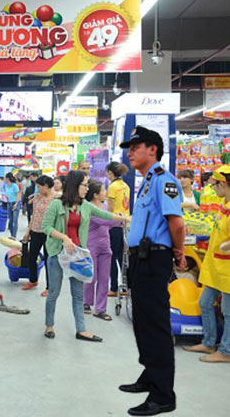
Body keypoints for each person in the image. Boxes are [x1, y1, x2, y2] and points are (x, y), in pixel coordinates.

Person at [118, 126, 185, 416]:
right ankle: (150, 375)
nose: (130, 153)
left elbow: (177, 224)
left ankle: (163, 395)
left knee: (155, 325)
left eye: (136, 147)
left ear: (153, 149)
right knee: (142, 322)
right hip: (140, 260)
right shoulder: (146, 181)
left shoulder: (163, 180)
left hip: (154, 258)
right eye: (129, 148)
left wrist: (178, 252)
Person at [41, 170, 130, 342]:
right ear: (75, 185)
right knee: (54, 292)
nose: (87, 188)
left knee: (78, 294)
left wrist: (125, 218)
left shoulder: (85, 206)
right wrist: (64, 237)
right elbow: (46, 227)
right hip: (58, 253)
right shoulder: (56, 205)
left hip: (77, 255)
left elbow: (105, 215)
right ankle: (49, 325)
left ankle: (81, 330)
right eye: (85, 185)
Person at [183, 165, 230, 363]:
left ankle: (226, 352)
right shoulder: (223, 205)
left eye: (214, 185)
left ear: (223, 184)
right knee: (205, 302)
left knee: (228, 310)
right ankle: (209, 342)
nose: (212, 189)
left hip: (227, 269)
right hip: (215, 266)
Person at [83, 180, 116, 321]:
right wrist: (123, 218)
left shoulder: (104, 206)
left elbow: (109, 224)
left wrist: (117, 218)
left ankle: (101, 309)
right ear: (96, 195)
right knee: (91, 276)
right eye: (103, 190)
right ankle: (86, 302)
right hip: (92, 245)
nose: (105, 193)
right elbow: (105, 221)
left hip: (105, 245)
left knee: (104, 278)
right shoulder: (89, 207)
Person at [22, 175, 54, 295]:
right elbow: (34, 215)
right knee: (32, 257)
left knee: (48, 260)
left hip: (49, 233)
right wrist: (28, 232)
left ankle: (50, 287)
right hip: (36, 231)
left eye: (39, 187)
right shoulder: (37, 197)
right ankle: (33, 280)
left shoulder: (57, 198)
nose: (38, 189)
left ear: (46, 186)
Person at [106, 161, 130, 297]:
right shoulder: (125, 186)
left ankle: (114, 288)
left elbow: (110, 209)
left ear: (110, 172)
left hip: (114, 225)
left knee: (111, 257)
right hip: (125, 225)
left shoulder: (112, 187)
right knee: (123, 258)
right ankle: (126, 287)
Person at [4, 172, 21, 239]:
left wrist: (16, 204)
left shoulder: (14, 186)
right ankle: (11, 234)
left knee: (15, 220)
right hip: (9, 203)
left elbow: (18, 194)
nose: (4, 179)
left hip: (15, 203)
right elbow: (7, 195)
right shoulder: (6, 186)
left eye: (5, 178)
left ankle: (14, 235)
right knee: (10, 220)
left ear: (7, 178)